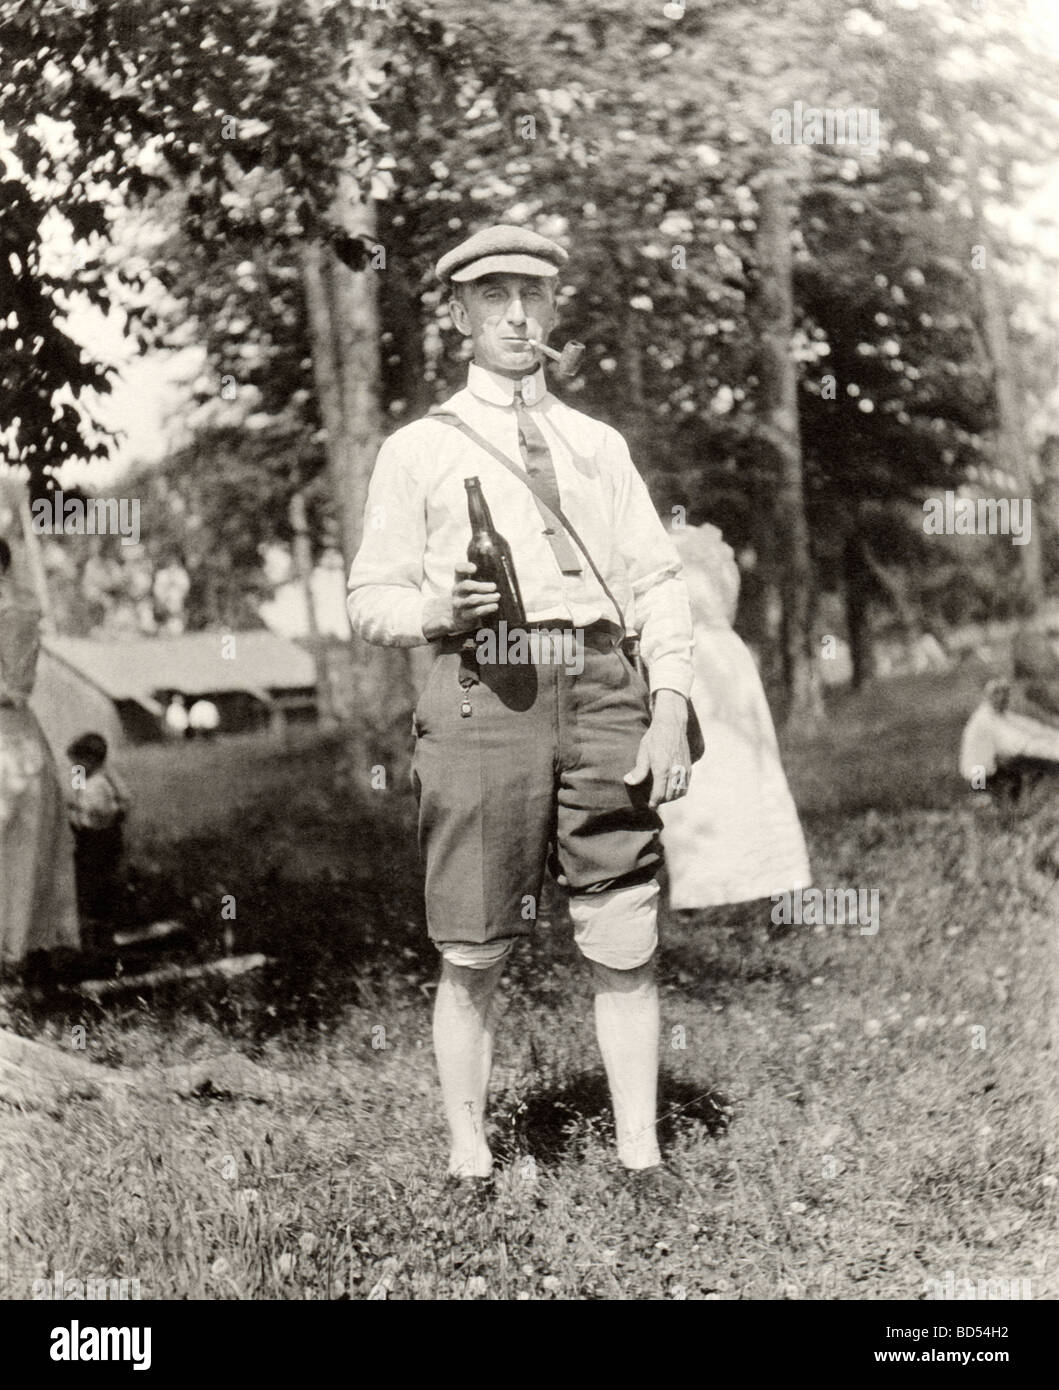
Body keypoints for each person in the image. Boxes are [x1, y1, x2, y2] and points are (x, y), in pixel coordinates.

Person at [347, 224, 695, 1196]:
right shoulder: (416, 451)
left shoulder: (597, 444)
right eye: (493, 296)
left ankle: (640, 1155)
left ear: (552, 312)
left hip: (599, 687)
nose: (514, 314)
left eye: (532, 296)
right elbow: (367, 595)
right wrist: (432, 609)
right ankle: (469, 1154)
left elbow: (658, 580)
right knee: (474, 940)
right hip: (479, 690)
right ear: (458, 313)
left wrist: (667, 703)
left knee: (623, 929)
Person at [658, 524, 811, 908]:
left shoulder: (699, 545)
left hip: (715, 665)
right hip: (686, 665)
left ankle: (767, 875)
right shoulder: (650, 547)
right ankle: (704, 883)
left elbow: (725, 604)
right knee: (702, 779)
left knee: (743, 768)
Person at [0, 537, 80, 966]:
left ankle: (15, 956)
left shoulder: (15, 613)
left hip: (9, 740)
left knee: (14, 842)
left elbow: (15, 688)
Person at [65, 731, 130, 933]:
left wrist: (78, 808)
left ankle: (101, 917)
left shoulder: (99, 782)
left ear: (91, 761)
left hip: (99, 837)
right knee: (88, 873)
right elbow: (77, 791)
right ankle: (96, 914)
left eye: (78, 763)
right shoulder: (85, 775)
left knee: (98, 875)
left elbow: (101, 809)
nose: (74, 768)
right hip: (91, 834)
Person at [959, 677, 1059, 802]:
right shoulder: (985, 720)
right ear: (987, 696)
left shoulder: (1001, 715)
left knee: (1035, 765)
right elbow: (1020, 745)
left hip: (991, 770)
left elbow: (1034, 729)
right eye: (997, 693)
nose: (1002, 697)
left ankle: (1024, 800)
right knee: (1037, 764)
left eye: (1005, 692)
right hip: (979, 778)